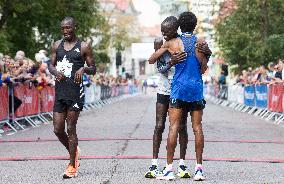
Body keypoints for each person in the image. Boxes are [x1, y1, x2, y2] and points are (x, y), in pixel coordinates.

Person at [148, 13, 211, 181]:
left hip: (179, 89)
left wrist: (171, 58)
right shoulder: (201, 43)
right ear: (195, 25)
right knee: (197, 127)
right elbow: (204, 69)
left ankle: (169, 169)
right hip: (196, 88)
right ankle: (199, 169)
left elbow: (152, 59)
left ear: (179, 27)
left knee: (173, 127)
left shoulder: (172, 43)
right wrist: (206, 55)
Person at [48, 16, 96, 179]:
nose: (65, 31)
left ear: (75, 27)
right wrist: (54, 72)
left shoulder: (83, 46)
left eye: (68, 28)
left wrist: (83, 70)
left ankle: (72, 166)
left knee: (71, 128)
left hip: (75, 93)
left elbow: (93, 68)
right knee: (57, 129)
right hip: (60, 92)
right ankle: (74, 151)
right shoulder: (56, 45)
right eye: (63, 28)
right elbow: (50, 64)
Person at [145, 37, 190, 179]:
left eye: (159, 47)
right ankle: (154, 164)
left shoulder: (178, 48)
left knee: (181, 127)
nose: (157, 50)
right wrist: (171, 62)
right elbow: (161, 70)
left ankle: (182, 164)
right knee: (159, 126)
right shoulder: (160, 55)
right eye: (155, 48)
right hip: (163, 92)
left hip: (178, 92)